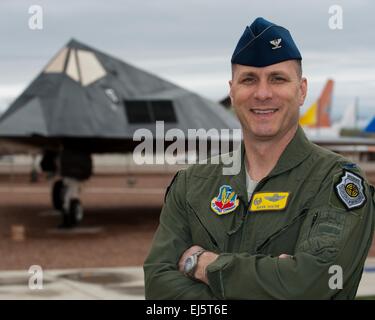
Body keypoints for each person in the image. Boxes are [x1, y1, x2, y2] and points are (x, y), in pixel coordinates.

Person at [143, 17, 375, 299]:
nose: (263, 93)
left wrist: (206, 266)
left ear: (301, 90)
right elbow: (158, 288)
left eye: (277, 78)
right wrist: (273, 280)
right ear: (232, 91)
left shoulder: (336, 181)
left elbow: (312, 285)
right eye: (249, 79)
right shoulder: (192, 184)